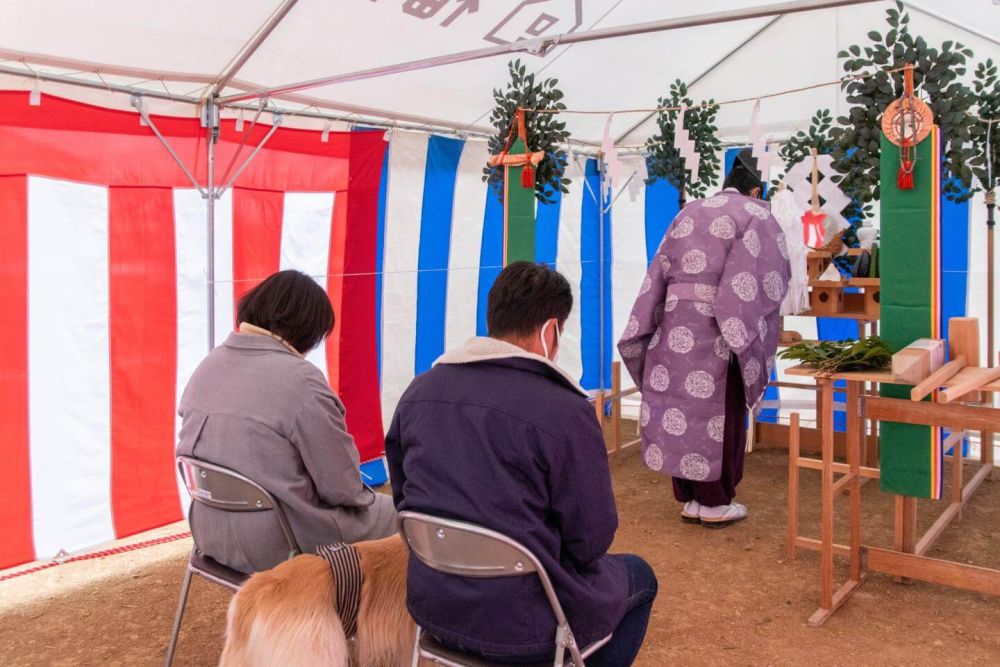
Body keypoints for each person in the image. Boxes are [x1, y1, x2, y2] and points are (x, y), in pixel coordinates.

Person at [386, 261, 657, 666]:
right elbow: (591, 541)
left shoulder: (418, 392)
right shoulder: (564, 410)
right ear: (551, 331)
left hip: (436, 606)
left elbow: (404, 494)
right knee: (640, 576)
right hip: (527, 625)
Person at [177, 270, 396, 573]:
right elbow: (343, 488)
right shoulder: (301, 381)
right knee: (405, 517)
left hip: (209, 532)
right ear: (307, 329)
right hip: (279, 543)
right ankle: (378, 618)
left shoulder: (208, 365)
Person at [618, 149, 790, 528]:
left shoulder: (688, 212)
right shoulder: (757, 214)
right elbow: (762, 278)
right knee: (718, 412)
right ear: (756, 189)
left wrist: (655, 321)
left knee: (680, 409)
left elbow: (659, 271)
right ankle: (714, 501)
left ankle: (691, 499)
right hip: (719, 329)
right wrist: (741, 326)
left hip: (675, 328)